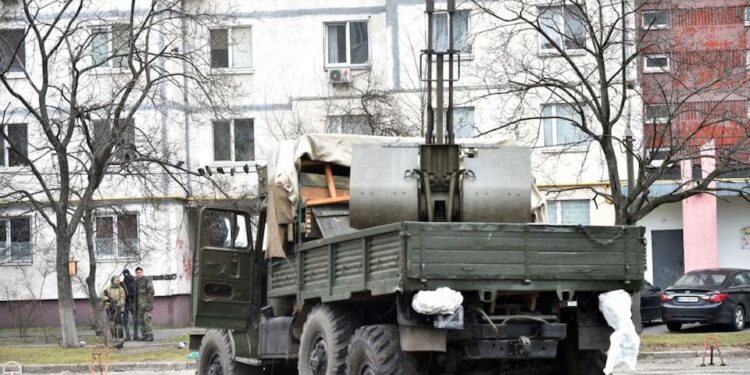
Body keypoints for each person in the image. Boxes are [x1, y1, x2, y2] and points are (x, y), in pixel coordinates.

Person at [101, 275, 126, 340]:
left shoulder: (121, 289)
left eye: (118, 280)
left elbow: (123, 299)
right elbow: (102, 296)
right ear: (112, 281)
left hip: (118, 308)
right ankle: (114, 338)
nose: (118, 281)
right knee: (112, 324)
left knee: (119, 324)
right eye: (116, 280)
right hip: (109, 308)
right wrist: (107, 299)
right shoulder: (108, 289)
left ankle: (120, 338)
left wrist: (118, 303)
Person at [135, 266, 155, 342]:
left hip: (146, 305)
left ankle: (150, 336)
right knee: (141, 321)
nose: (139, 274)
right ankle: (144, 336)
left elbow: (151, 291)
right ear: (136, 274)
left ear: (142, 272)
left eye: (140, 272)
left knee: (147, 320)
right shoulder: (136, 281)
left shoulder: (147, 280)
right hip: (139, 305)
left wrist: (149, 303)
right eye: (137, 273)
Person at [121, 269, 137, 341]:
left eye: (126, 273)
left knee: (126, 319)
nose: (126, 275)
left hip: (129, 302)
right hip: (129, 302)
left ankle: (128, 336)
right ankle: (134, 335)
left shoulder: (131, 281)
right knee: (134, 319)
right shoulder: (131, 281)